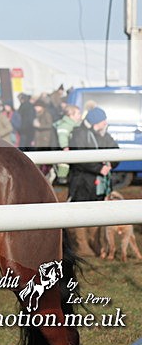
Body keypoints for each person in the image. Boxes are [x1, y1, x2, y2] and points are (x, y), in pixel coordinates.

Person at [67, 106, 119, 257]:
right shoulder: (79, 134)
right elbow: (79, 158)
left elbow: (116, 150)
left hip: (98, 183)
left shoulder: (103, 135)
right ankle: (82, 248)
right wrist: (98, 168)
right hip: (82, 182)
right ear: (96, 121)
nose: (106, 123)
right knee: (80, 213)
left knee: (96, 213)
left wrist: (109, 164)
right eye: (103, 120)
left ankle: (95, 244)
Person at [53, 105, 83, 183]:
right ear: (71, 115)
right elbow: (62, 136)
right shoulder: (65, 125)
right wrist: (65, 146)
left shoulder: (75, 124)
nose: (80, 115)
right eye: (78, 113)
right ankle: (62, 178)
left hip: (71, 148)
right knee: (64, 164)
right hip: (66, 149)